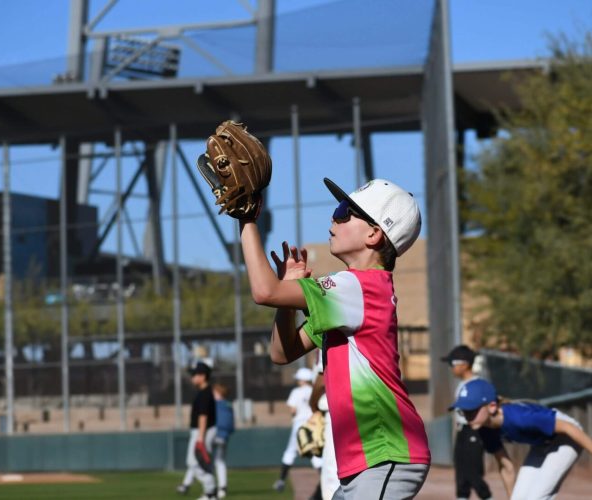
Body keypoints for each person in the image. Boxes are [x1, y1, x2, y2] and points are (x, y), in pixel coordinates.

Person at [239, 178, 431, 499]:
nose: (334, 218)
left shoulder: (358, 287)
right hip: (367, 462)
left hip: (385, 454)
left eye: (345, 212)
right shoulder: (353, 296)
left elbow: (263, 291)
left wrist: (246, 220)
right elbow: (282, 353)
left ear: (374, 234)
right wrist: (286, 303)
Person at [450, 378, 592, 499]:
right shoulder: (485, 430)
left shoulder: (520, 417)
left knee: (536, 496)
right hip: (541, 444)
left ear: (492, 407)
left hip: (566, 437)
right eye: (464, 411)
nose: (468, 416)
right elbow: (506, 467)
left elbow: (569, 428)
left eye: (472, 410)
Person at [441, 345, 492, 500]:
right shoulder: (461, 384)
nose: (451, 368)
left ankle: (487, 496)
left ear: (464, 364)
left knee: (472, 470)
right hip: (462, 431)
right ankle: (462, 496)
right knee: (461, 469)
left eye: (453, 364)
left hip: (474, 430)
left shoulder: (478, 384)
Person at [177, 361, 217, 500]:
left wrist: (200, 437)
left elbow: (203, 416)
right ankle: (210, 493)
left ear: (203, 376)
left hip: (202, 431)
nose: (193, 377)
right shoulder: (203, 392)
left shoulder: (205, 393)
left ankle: (211, 491)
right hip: (202, 431)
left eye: (195, 374)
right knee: (200, 463)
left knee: (194, 462)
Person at [272, 366, 314, 492]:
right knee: (316, 454)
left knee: (290, 452)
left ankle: (281, 481)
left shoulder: (296, 392)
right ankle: (325, 483)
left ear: (302, 379)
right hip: (313, 425)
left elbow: (293, 410)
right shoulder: (313, 390)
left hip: (299, 425)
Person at [309, 350, 339, 500]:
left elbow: (322, 378)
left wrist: (312, 403)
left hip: (335, 412)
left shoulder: (327, 331)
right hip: (353, 409)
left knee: (332, 475)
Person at [212, 383, 235, 499]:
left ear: (218, 393)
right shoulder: (229, 405)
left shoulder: (215, 404)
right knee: (219, 461)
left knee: (207, 462)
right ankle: (222, 487)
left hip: (214, 436)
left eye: (214, 392)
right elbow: (231, 426)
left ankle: (212, 488)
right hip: (224, 437)